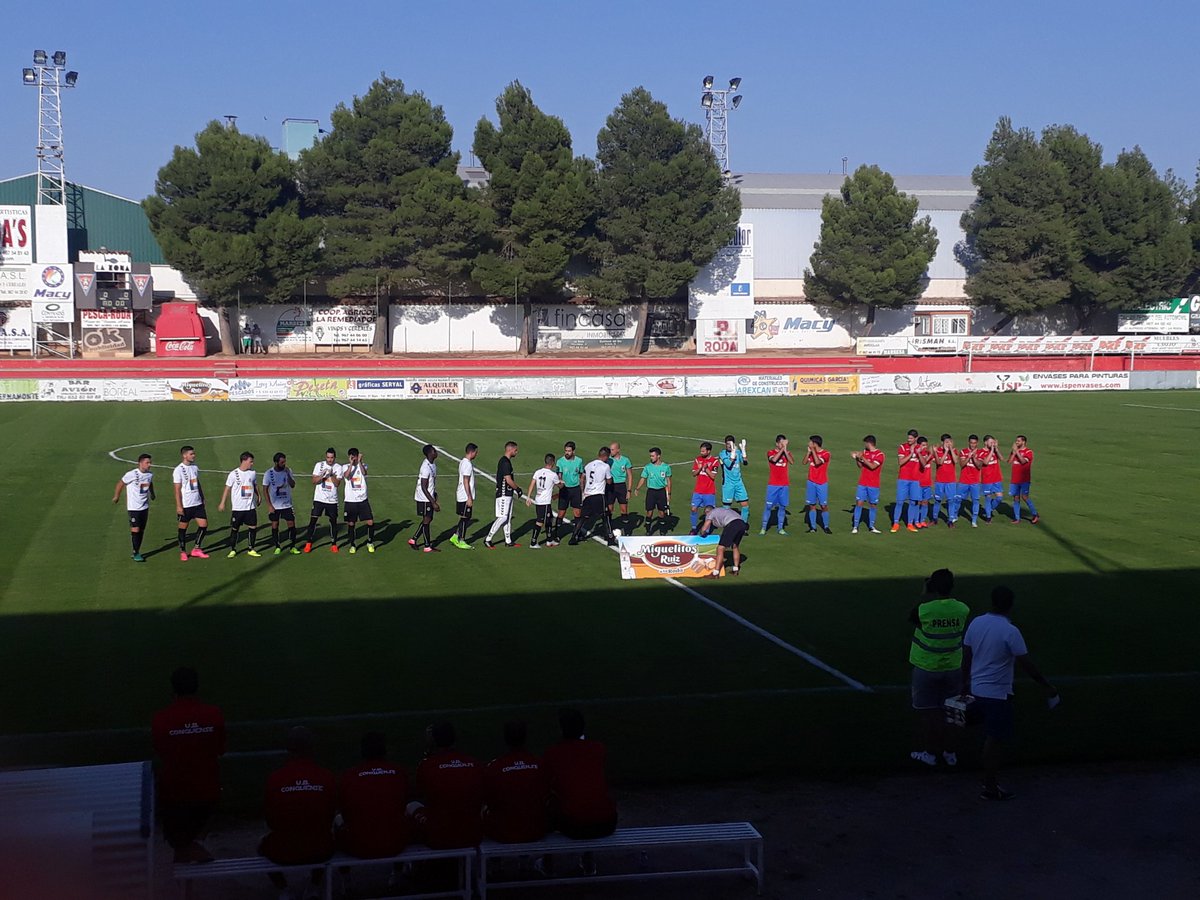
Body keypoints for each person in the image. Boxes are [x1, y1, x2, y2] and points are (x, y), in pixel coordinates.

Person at [962, 586, 1059, 800]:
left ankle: (987, 779)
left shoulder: (976, 622)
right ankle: (989, 786)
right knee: (994, 739)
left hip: (977, 689)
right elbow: (1027, 664)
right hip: (997, 694)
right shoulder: (1010, 631)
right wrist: (1046, 686)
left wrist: (964, 684)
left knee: (988, 736)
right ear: (1010, 604)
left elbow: (966, 655)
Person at [151, 666, 225, 864]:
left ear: (173, 690)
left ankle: (190, 849)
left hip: (174, 796)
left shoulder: (161, 719)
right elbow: (220, 748)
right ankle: (194, 846)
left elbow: (161, 751)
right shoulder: (214, 714)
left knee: (180, 837)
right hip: (208, 793)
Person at [260, 727, 336, 894]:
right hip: (321, 850)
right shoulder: (326, 776)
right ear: (312, 748)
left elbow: (270, 821)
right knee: (324, 838)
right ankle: (314, 886)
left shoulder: (276, 778)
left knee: (262, 846)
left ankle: (284, 890)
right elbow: (330, 816)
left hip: (283, 851)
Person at [908, 569, 969, 768]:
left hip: (927, 666)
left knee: (928, 713)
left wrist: (924, 593)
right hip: (952, 667)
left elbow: (912, 617)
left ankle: (930, 753)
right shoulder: (962, 609)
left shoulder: (925, 609)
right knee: (954, 711)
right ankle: (950, 753)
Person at [543, 709, 617, 847]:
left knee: (548, 809)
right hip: (607, 822)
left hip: (575, 826)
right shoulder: (598, 748)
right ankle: (587, 860)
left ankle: (548, 863)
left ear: (561, 729)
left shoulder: (552, 754)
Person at [410, 722, 484, 849]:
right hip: (471, 834)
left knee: (411, 806)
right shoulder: (473, 763)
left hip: (437, 835)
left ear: (434, 742)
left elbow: (419, 792)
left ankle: (406, 865)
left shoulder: (427, 766)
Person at [338, 732, 410, 859]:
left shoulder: (349, 776)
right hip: (396, 842)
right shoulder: (399, 772)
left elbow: (344, 812)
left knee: (337, 820)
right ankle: (399, 871)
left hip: (358, 844)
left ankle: (345, 877)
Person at [483, 721, 549, 844]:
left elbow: (489, 801)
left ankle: (495, 861)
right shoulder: (540, 764)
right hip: (536, 829)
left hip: (504, 832)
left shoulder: (494, 767)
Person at [218, 451, 261, 558]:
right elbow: (227, 489)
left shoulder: (252, 473)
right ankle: (233, 549)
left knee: (253, 527)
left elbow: (255, 485)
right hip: (238, 508)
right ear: (244, 461)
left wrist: (259, 496)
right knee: (235, 529)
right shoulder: (233, 474)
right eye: (251, 461)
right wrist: (222, 503)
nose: (252, 463)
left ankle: (251, 549)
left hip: (250, 507)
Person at [113, 452, 155, 562]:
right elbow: (120, 483)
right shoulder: (131, 474)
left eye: (150, 462)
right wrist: (116, 496)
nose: (149, 464)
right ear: (140, 463)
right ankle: (136, 552)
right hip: (133, 507)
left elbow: (150, 483)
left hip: (144, 507)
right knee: (135, 529)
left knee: (141, 530)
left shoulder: (149, 475)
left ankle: (136, 550)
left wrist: (152, 493)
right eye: (147, 462)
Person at [572, 447, 616, 546]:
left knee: (583, 517)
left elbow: (582, 478)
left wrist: (583, 491)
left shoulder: (588, 465)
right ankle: (610, 538)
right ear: (605, 456)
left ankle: (574, 537)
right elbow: (609, 481)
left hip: (588, 494)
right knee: (606, 516)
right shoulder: (605, 467)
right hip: (598, 495)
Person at [173, 445, 210, 562]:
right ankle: (183, 551)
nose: (194, 456)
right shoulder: (178, 470)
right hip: (186, 505)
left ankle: (196, 549)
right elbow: (177, 489)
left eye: (193, 454)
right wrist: (179, 506)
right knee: (183, 528)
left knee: (203, 525)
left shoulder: (194, 467)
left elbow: (197, 483)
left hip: (197, 503)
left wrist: (202, 496)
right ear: (184, 455)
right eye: (191, 454)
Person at [485, 442, 524, 549]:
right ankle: (488, 539)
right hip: (503, 493)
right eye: (515, 450)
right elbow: (508, 479)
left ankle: (508, 540)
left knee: (508, 518)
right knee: (502, 517)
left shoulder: (506, 461)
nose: (517, 452)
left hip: (507, 493)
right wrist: (518, 489)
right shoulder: (505, 462)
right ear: (510, 450)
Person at [303, 448, 342, 553]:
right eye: (328, 457)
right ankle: (308, 543)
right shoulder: (319, 465)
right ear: (326, 457)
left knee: (333, 522)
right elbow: (314, 481)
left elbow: (337, 484)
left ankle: (334, 544)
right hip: (319, 499)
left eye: (332, 458)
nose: (330, 460)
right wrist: (322, 475)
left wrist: (331, 474)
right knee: (313, 520)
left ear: (335, 457)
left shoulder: (338, 468)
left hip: (332, 500)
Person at [263, 452, 300, 555]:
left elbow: (292, 485)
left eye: (285, 461)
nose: (284, 464)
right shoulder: (268, 473)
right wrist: (269, 505)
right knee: (275, 525)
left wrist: (288, 474)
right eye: (282, 462)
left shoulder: (288, 471)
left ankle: (292, 546)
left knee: (291, 524)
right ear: (276, 462)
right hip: (275, 505)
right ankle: (277, 546)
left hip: (287, 504)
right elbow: (265, 490)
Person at [342, 447, 376, 554]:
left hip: (362, 500)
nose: (353, 459)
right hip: (350, 500)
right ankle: (352, 544)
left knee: (370, 521)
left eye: (355, 457)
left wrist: (360, 462)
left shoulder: (363, 465)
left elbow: (364, 473)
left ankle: (370, 542)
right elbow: (347, 476)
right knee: (351, 523)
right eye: (351, 457)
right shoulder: (345, 467)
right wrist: (351, 464)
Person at [699, 504, 747, 576]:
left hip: (732, 524)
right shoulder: (722, 510)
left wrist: (702, 533)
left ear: (707, 511)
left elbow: (705, 526)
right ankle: (735, 569)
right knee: (735, 546)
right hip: (742, 524)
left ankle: (716, 572)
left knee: (720, 548)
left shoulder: (711, 513)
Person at [850, 435, 885, 534]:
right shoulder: (865, 452)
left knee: (873, 505)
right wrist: (857, 458)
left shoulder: (880, 455)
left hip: (873, 484)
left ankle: (871, 526)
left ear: (869, 443)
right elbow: (860, 466)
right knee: (859, 503)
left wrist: (863, 458)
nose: (864, 445)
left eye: (865, 443)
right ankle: (855, 527)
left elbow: (873, 466)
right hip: (863, 482)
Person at [633, 447, 672, 535]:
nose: (651, 458)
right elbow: (643, 478)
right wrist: (637, 488)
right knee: (649, 512)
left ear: (658, 456)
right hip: (651, 492)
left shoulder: (666, 467)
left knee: (662, 512)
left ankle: (662, 530)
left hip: (661, 492)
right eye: (650, 456)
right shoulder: (648, 467)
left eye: (653, 456)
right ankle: (648, 530)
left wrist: (669, 493)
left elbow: (668, 481)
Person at [409, 444, 440, 553]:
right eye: (434, 451)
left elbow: (431, 483)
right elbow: (423, 486)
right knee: (427, 519)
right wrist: (433, 502)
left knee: (428, 519)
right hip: (423, 498)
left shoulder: (433, 464)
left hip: (429, 496)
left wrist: (434, 494)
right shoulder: (425, 467)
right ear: (430, 453)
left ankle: (414, 540)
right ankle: (426, 546)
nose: (436, 452)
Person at [761, 435, 793, 535]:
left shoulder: (787, 453)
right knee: (768, 506)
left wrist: (785, 450)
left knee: (782, 507)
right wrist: (783, 449)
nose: (782, 445)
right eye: (781, 443)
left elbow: (791, 461)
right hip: (773, 484)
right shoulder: (770, 452)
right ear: (777, 443)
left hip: (784, 484)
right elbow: (774, 460)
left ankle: (780, 528)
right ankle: (764, 528)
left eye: (783, 443)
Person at [528, 453, 561, 549]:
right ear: (553, 463)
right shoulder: (552, 475)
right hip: (545, 501)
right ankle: (533, 542)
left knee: (549, 519)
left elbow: (532, 484)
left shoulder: (538, 472)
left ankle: (549, 540)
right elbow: (559, 485)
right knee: (540, 521)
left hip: (538, 500)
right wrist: (562, 483)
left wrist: (529, 497)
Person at [891, 429, 921, 533]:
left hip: (915, 480)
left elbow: (924, 463)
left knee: (913, 502)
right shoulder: (902, 447)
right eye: (908, 438)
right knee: (900, 502)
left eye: (911, 438)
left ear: (916, 438)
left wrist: (918, 453)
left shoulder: (920, 448)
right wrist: (911, 453)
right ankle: (895, 523)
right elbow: (901, 462)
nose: (909, 440)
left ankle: (910, 523)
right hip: (903, 479)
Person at [553, 442, 585, 542]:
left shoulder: (579, 461)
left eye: (569, 451)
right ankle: (557, 534)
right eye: (566, 451)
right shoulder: (560, 462)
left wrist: (583, 491)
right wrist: (560, 486)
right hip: (565, 489)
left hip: (576, 490)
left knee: (577, 513)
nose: (567, 453)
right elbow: (559, 476)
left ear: (573, 451)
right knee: (561, 513)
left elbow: (581, 476)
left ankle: (577, 533)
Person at [451, 443, 478, 550]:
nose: (476, 454)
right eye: (476, 452)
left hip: (461, 494)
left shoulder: (463, 462)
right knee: (465, 518)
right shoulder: (467, 464)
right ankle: (461, 540)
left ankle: (455, 536)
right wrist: (469, 497)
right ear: (472, 452)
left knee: (464, 517)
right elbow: (466, 480)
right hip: (464, 495)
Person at [689, 441, 720, 535]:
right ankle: (694, 529)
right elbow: (694, 474)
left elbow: (713, 476)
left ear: (709, 451)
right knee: (693, 509)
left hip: (709, 491)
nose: (701, 453)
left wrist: (706, 469)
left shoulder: (714, 461)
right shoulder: (697, 460)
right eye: (701, 451)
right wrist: (699, 468)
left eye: (703, 451)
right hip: (698, 490)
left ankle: (706, 531)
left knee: (709, 512)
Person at [718, 434, 750, 523]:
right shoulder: (722, 453)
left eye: (731, 444)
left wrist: (743, 452)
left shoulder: (738, 452)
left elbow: (745, 463)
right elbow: (728, 464)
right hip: (728, 483)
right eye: (728, 444)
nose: (729, 446)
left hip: (738, 482)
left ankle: (743, 526)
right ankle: (726, 525)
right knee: (727, 507)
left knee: (745, 505)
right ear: (725, 444)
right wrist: (733, 454)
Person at [1008, 435, 1039, 524]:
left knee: (1025, 497)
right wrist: (1014, 453)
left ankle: (1034, 514)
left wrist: (1016, 451)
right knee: (1016, 498)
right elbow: (1009, 462)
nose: (1016, 442)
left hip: (1024, 479)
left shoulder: (1028, 452)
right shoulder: (1015, 451)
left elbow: (1023, 461)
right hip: (1014, 479)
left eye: (1018, 441)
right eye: (1016, 441)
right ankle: (1017, 518)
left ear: (1023, 442)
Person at [804, 435, 832, 534]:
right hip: (811, 482)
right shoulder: (811, 453)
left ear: (815, 444)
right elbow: (804, 462)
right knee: (812, 505)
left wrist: (813, 451)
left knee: (823, 505)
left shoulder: (826, 454)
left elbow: (817, 462)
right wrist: (809, 452)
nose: (809, 443)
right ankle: (813, 527)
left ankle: (826, 526)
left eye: (810, 442)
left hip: (821, 483)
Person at [932, 435, 960, 528]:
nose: (949, 444)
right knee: (937, 500)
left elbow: (956, 461)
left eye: (950, 442)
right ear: (942, 443)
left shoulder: (954, 451)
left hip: (951, 481)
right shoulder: (937, 451)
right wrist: (946, 451)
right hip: (940, 481)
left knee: (951, 500)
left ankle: (950, 520)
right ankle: (935, 519)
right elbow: (940, 462)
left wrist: (950, 450)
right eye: (947, 442)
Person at [956, 434, 983, 527]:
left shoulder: (981, 453)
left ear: (977, 443)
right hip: (963, 481)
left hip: (975, 482)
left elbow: (979, 465)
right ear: (968, 442)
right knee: (958, 499)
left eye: (974, 443)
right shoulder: (963, 452)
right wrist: (968, 457)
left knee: (975, 500)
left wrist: (973, 457)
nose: (972, 445)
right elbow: (962, 464)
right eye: (971, 443)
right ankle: (955, 515)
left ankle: (974, 520)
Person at [606, 442, 634, 531]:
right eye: (610, 449)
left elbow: (630, 475)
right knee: (610, 508)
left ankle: (626, 531)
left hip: (621, 486)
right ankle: (609, 530)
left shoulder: (625, 460)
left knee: (624, 509)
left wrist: (629, 490)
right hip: (610, 486)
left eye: (613, 449)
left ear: (618, 450)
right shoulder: (608, 460)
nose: (611, 451)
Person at [980, 435, 1005, 523]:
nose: (992, 444)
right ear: (985, 442)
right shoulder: (981, 452)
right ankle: (988, 517)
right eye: (991, 442)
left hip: (996, 478)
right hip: (987, 480)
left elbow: (1002, 459)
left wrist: (996, 449)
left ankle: (989, 509)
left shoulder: (995, 451)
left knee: (999, 498)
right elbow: (986, 462)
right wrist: (991, 451)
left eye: (993, 442)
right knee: (988, 498)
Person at [914, 437, 934, 529]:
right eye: (923, 445)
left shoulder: (928, 454)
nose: (925, 447)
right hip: (918, 483)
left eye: (926, 445)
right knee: (918, 502)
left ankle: (922, 520)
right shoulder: (917, 455)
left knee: (925, 502)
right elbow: (924, 463)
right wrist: (931, 454)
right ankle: (916, 521)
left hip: (927, 482)